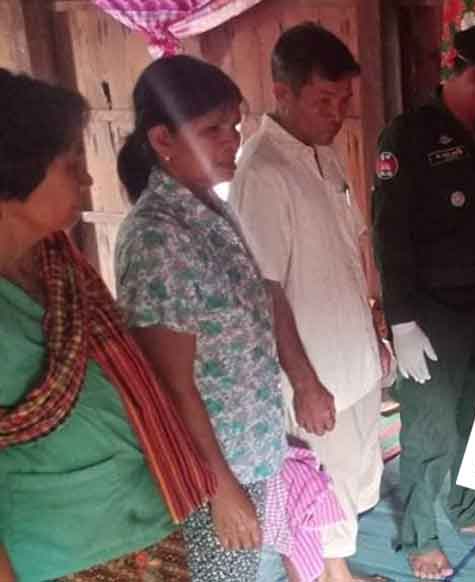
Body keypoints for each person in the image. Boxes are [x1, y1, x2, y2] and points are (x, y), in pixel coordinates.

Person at [0, 68, 214, 582]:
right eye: (71, 165)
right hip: (66, 554)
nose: (89, 180)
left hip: (149, 514)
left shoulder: (57, 262)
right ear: (12, 175)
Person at [228, 23, 393, 582]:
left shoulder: (324, 154)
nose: (337, 113)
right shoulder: (262, 170)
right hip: (315, 371)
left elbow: (348, 253)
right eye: (324, 100)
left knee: (348, 478)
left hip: (352, 357)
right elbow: (265, 287)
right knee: (313, 487)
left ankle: (337, 575)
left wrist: (374, 329)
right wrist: (303, 382)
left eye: (344, 100)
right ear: (283, 92)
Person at [114, 55, 288, 581]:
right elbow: (171, 383)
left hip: (245, 450)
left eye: (234, 126)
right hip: (210, 470)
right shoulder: (157, 236)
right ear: (162, 139)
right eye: (213, 129)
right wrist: (222, 488)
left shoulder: (208, 209)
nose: (232, 141)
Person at [371, 21, 475, 580]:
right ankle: (420, 536)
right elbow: (389, 234)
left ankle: (469, 509)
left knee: (473, 419)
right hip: (433, 314)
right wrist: (401, 321)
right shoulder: (407, 135)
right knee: (430, 430)